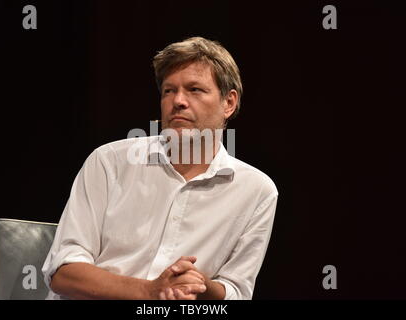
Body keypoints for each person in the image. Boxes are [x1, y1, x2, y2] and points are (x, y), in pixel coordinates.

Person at [42, 36, 278, 300]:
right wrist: (148, 291)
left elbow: (236, 292)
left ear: (229, 103)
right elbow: (63, 272)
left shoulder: (256, 191)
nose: (178, 101)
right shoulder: (109, 162)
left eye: (194, 90)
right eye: (168, 90)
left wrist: (200, 284)